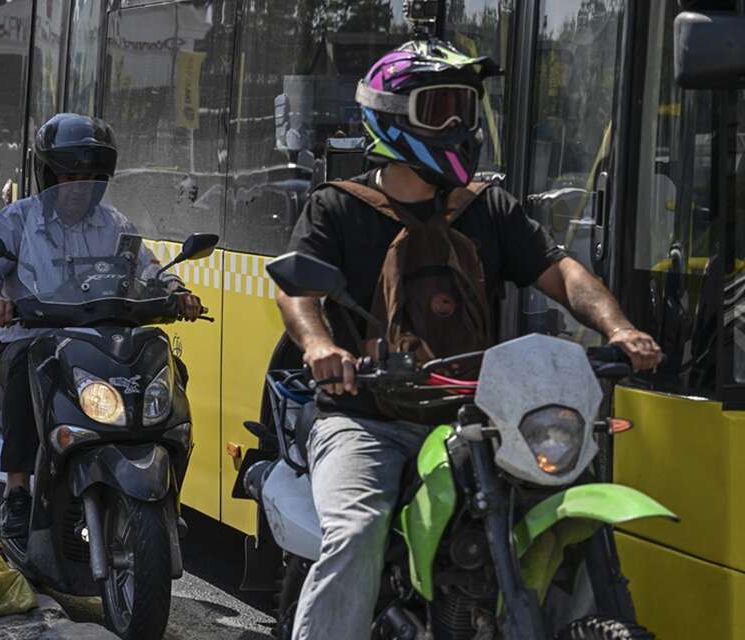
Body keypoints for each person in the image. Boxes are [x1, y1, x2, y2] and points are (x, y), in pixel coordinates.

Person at [275, 40, 662, 639]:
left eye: (465, 108)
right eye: (439, 109)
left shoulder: (487, 207)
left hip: (481, 416)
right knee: (356, 531)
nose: (457, 125)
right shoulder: (338, 208)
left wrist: (620, 327)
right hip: (366, 418)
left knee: (569, 511)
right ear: (392, 115)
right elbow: (296, 292)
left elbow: (562, 272)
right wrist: (320, 347)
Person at [0, 113, 204, 539]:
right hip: (33, 338)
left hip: (98, 339)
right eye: (69, 175)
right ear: (48, 174)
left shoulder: (115, 225)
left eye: (91, 177)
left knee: (170, 371)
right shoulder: (19, 220)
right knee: (26, 371)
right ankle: (17, 492)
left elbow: (148, 269)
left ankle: (170, 495)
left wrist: (176, 290)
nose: (79, 187)